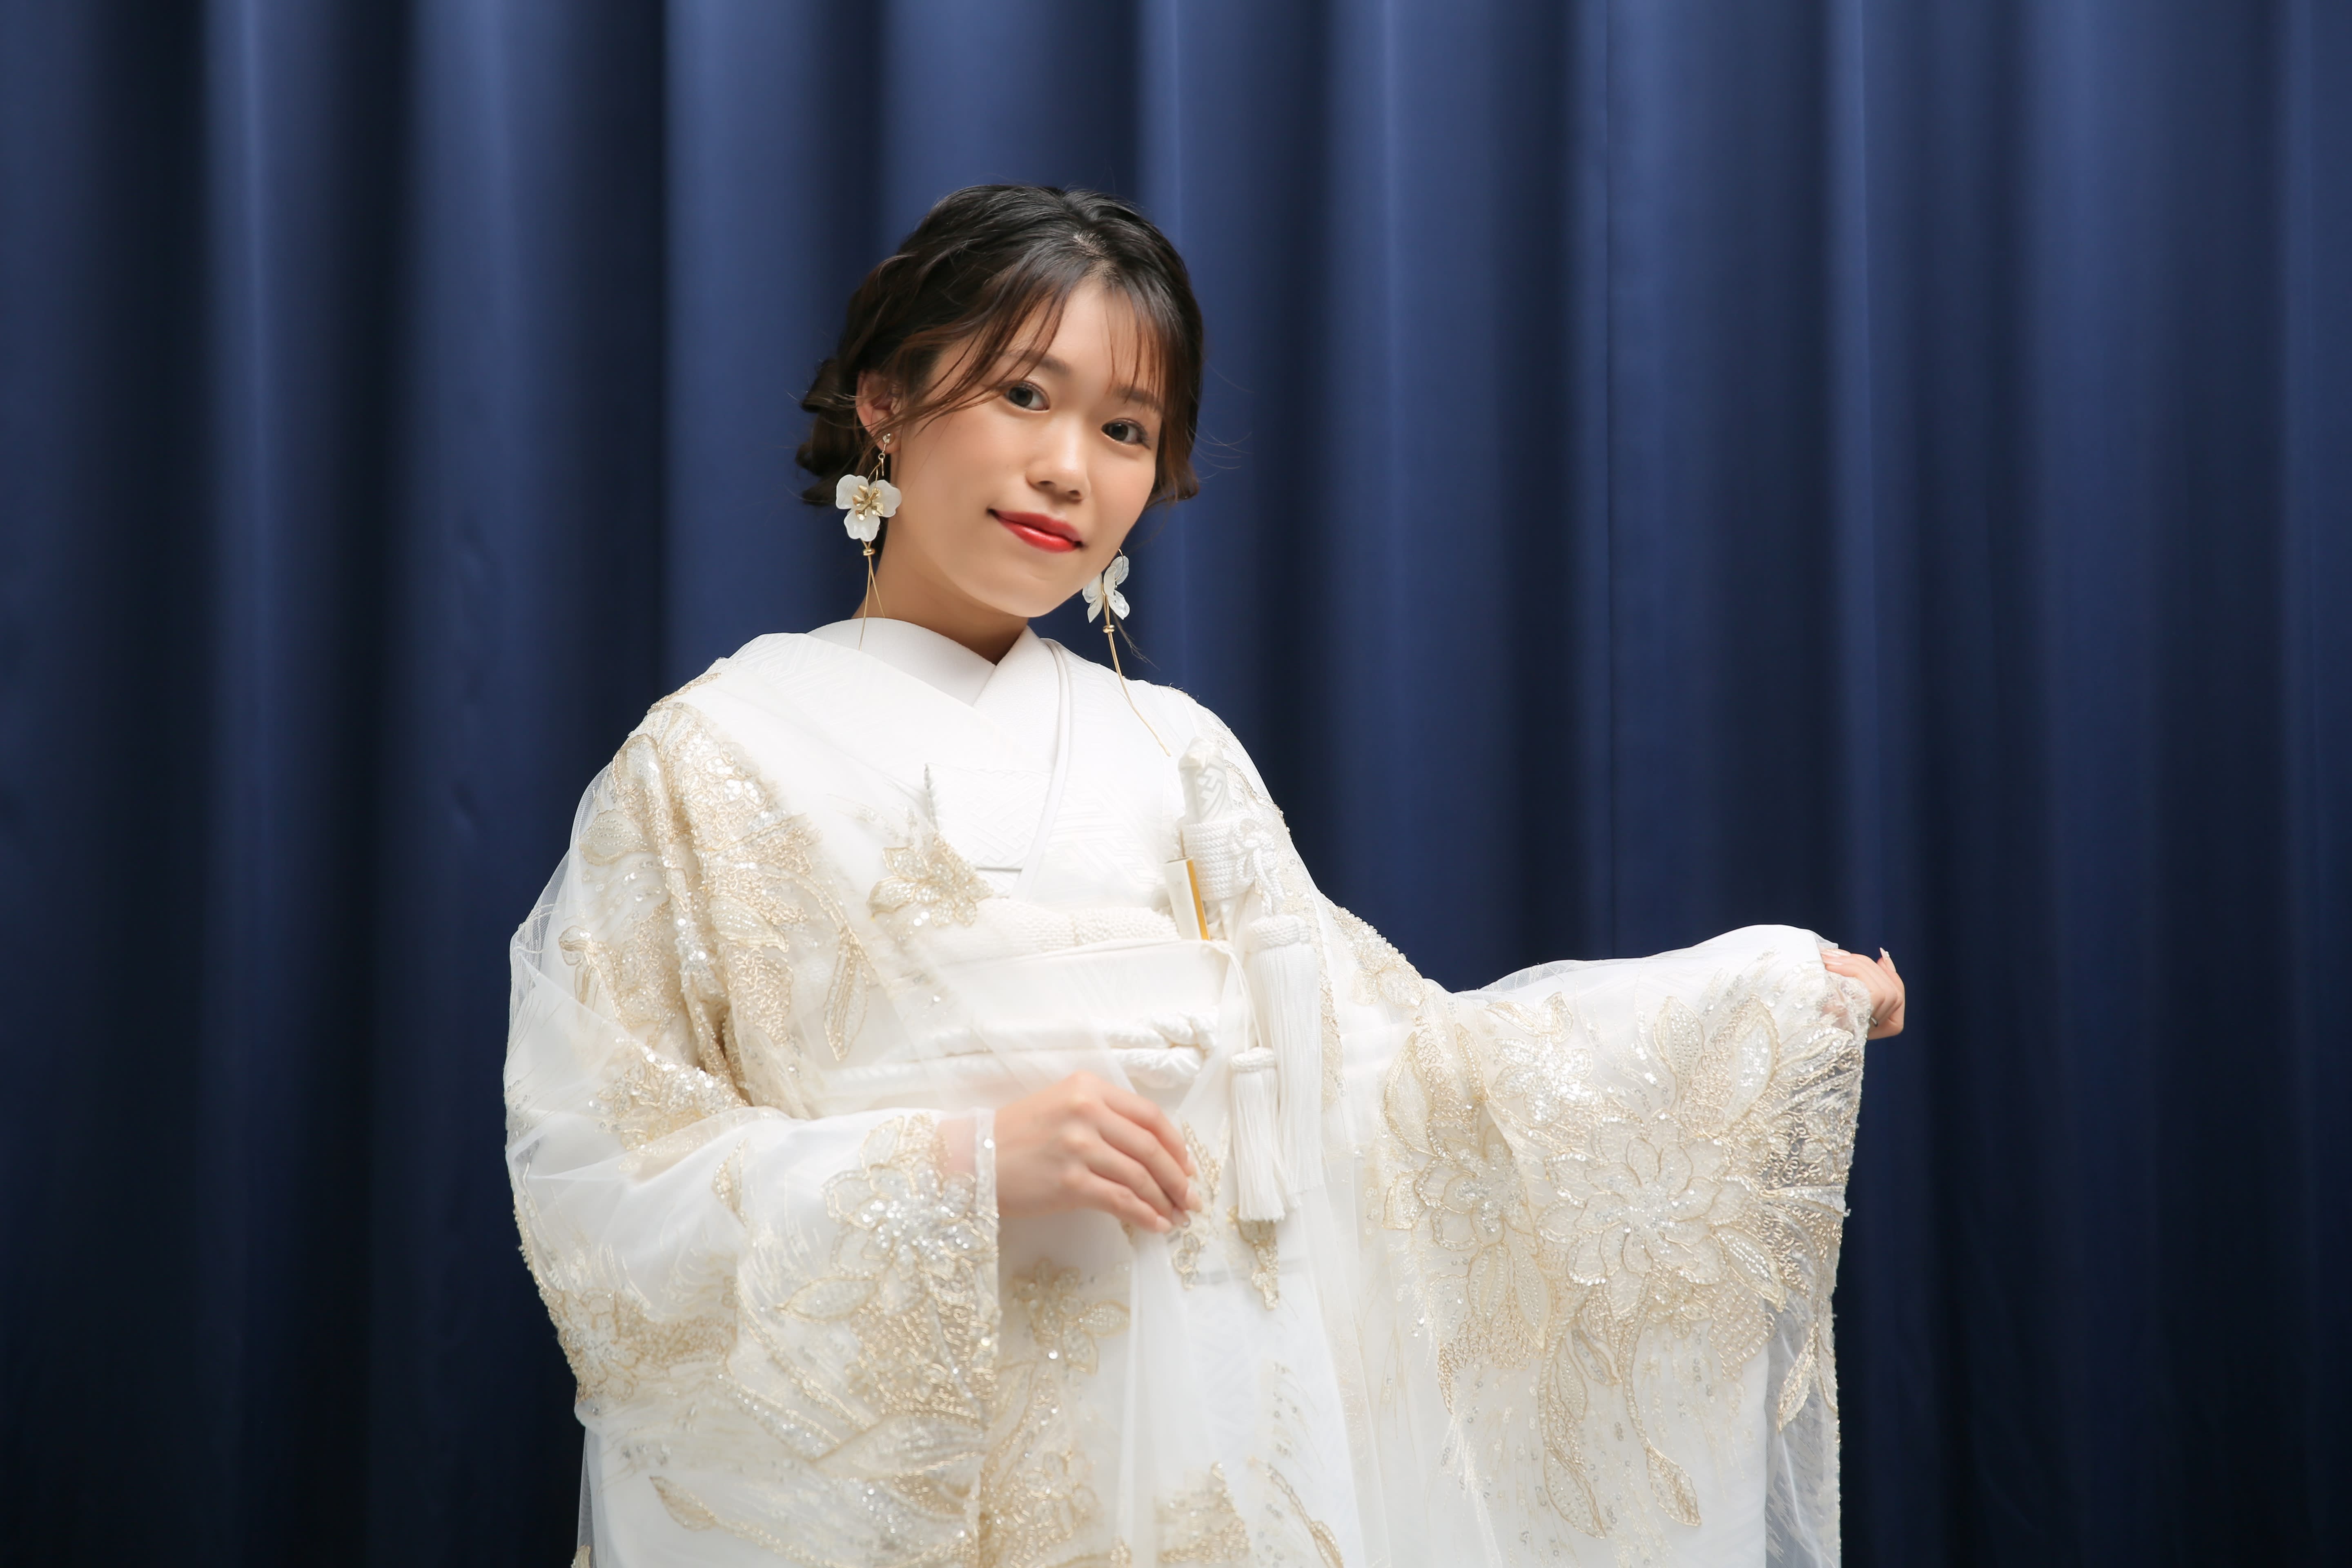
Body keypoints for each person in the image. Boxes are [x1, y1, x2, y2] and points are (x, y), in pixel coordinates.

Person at [505, 185, 1905, 1568]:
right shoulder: (713, 757)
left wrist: (1756, 1013)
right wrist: (954, 1166)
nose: (1071, 469)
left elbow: (1396, 1083)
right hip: (891, 1497)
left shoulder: (1178, 755)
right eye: (1023, 395)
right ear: (885, 401)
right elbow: (604, 1172)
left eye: (1126, 429)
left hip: (1209, 1446)